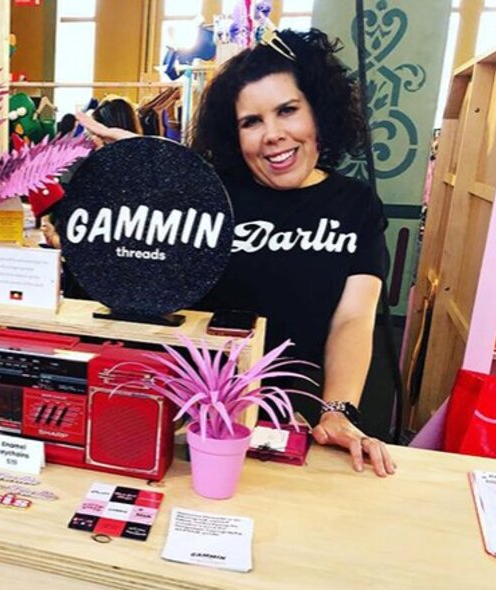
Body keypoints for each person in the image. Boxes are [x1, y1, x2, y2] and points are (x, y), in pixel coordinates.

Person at [77, 28, 396, 477]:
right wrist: (143, 161)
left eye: (287, 111)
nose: (273, 135)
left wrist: (339, 411)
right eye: (252, 121)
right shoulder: (209, 196)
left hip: (291, 423)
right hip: (185, 425)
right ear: (234, 132)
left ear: (319, 112)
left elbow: (353, 319)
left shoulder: (356, 205)